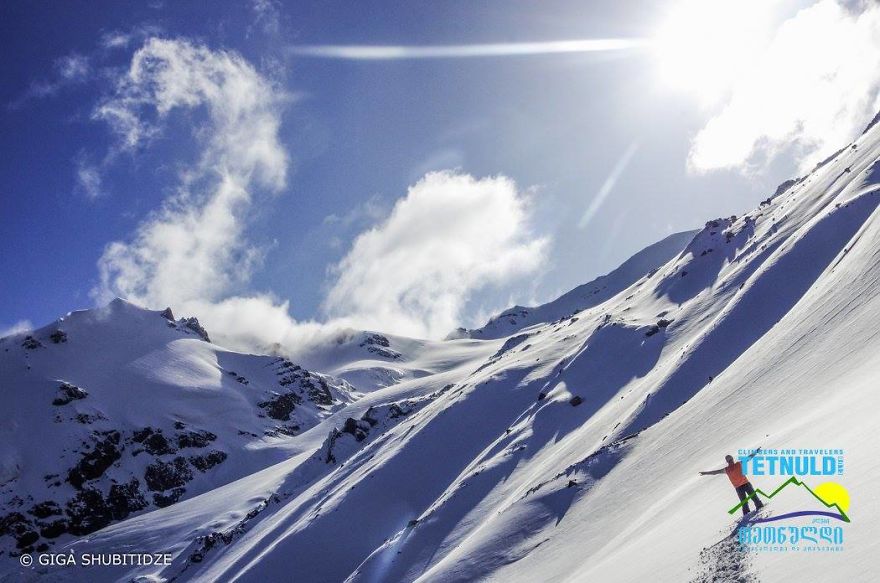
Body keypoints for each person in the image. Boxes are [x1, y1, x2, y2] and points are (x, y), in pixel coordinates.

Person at [699, 448, 764, 516]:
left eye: (729, 460)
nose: (730, 461)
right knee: (751, 498)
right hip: (744, 485)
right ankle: (756, 509)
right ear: (731, 459)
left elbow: (715, 472)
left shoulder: (728, 469)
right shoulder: (737, 464)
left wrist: (705, 473)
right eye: (730, 460)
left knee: (745, 501)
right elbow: (749, 458)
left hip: (740, 487)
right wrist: (756, 451)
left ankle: (748, 513)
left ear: (727, 461)